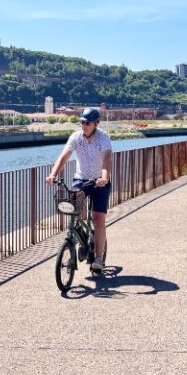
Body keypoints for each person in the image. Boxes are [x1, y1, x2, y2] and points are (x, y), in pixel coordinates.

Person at [46, 107, 112, 272]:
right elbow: (64, 157)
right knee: (75, 210)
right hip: (81, 179)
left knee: (98, 219)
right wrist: (52, 174)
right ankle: (81, 237)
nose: (83, 125)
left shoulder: (103, 138)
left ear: (95, 124)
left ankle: (98, 258)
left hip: (99, 182)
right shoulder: (76, 137)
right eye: (81, 122)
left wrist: (104, 178)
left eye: (87, 123)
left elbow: (107, 160)